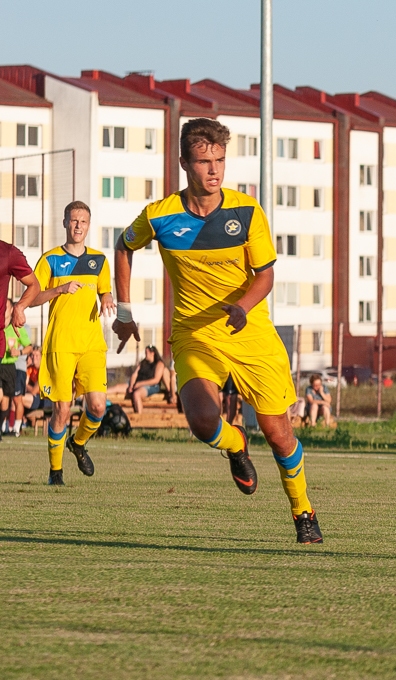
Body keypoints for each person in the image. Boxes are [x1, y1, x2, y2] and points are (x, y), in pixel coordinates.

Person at [112, 118, 322, 544]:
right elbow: (123, 245)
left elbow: (265, 276)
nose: (214, 170)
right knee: (203, 421)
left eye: (220, 160)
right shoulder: (160, 215)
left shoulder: (246, 211)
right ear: (184, 163)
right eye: (204, 161)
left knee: (280, 433)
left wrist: (243, 308)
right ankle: (234, 444)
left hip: (250, 332)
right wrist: (126, 311)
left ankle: (303, 511)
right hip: (194, 334)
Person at [29, 201, 114, 485]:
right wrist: (59, 289)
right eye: (74, 220)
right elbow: (33, 298)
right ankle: (55, 473)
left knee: (99, 408)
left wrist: (107, 298)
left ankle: (77, 444)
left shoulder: (99, 261)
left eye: (84, 222)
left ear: (89, 226)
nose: (78, 226)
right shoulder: (50, 259)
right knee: (62, 410)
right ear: (65, 222)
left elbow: (105, 291)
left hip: (91, 343)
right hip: (60, 344)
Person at [0, 239, 40, 443]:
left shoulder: (8, 253)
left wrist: (19, 307)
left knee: (11, 398)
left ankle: (12, 427)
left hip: (12, 365)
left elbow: (35, 285)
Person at [2, 301, 32, 436]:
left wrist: (18, 352)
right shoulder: (2, 326)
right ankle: (3, 427)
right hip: (3, 365)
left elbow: (29, 346)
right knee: (4, 397)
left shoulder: (21, 327)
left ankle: (16, 429)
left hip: (16, 367)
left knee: (16, 398)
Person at [126, 345, 172, 414]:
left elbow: (156, 380)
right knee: (116, 388)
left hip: (151, 386)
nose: (146, 354)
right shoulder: (143, 363)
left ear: (153, 353)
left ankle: (139, 417)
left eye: (147, 352)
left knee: (136, 394)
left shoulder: (159, 364)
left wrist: (139, 384)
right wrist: (131, 386)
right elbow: (134, 375)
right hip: (137, 383)